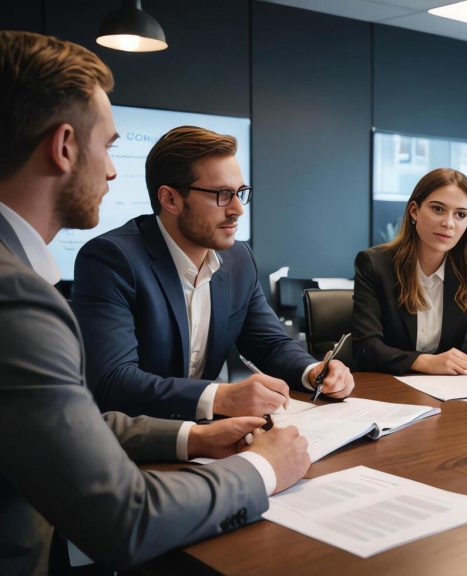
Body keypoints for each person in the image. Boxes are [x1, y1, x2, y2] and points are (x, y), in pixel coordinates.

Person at [0, 30, 310, 574]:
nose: (114, 170)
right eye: (109, 146)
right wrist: (264, 469)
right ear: (65, 146)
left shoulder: (238, 259)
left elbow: (57, 417)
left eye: (240, 194)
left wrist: (195, 435)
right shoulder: (22, 292)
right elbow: (126, 515)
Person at [71, 126, 355, 420]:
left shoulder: (238, 259)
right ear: (170, 199)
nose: (237, 209)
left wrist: (313, 372)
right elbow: (113, 381)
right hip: (131, 443)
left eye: (239, 194)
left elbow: (270, 344)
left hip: (208, 435)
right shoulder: (112, 260)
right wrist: (221, 396)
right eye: (222, 195)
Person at [353, 168, 467, 378]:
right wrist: (425, 362)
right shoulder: (374, 264)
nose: (448, 223)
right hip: (388, 389)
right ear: (414, 211)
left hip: (445, 394)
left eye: (460, 214)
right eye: (438, 209)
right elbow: (366, 348)